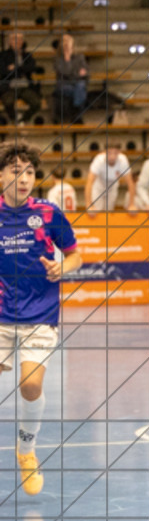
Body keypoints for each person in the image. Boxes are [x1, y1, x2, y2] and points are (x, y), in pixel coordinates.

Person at [0, 143, 82, 496]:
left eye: (30, 172)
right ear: (1, 175)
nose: (23, 178)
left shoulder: (48, 213)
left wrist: (62, 267)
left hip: (40, 314)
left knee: (30, 385)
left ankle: (26, 453)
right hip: (1, 313)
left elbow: (75, 256)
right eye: (16, 170)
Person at [0, 32, 43, 125]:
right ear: (10, 41)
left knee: (37, 103)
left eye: (19, 39)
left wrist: (14, 67)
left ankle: (23, 119)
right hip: (9, 87)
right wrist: (21, 69)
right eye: (14, 39)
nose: (17, 41)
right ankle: (14, 119)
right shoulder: (3, 55)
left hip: (25, 86)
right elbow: (3, 71)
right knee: (7, 102)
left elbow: (32, 67)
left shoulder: (27, 55)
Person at [86, 142, 136, 214]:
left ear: (119, 152)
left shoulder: (123, 160)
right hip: (98, 188)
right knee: (96, 212)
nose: (112, 156)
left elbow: (130, 183)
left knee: (109, 213)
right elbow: (89, 182)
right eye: (109, 153)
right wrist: (89, 204)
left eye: (115, 153)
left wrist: (132, 204)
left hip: (112, 188)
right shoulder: (98, 161)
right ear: (105, 152)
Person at [52, 33, 88, 124]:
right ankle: (77, 113)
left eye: (69, 42)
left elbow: (85, 72)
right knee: (80, 90)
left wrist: (74, 74)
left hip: (76, 83)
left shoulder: (80, 57)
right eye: (65, 42)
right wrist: (67, 60)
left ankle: (75, 111)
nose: (67, 44)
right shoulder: (58, 59)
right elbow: (65, 72)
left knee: (80, 85)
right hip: (64, 85)